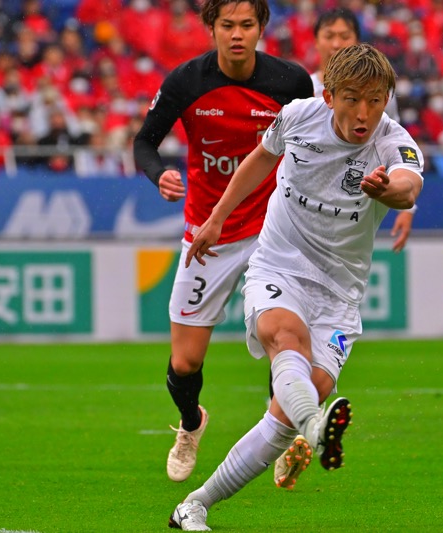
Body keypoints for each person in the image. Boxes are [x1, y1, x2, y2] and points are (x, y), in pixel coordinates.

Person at [168, 43, 423, 531]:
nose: (364, 113)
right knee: (286, 341)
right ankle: (317, 426)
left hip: (340, 292)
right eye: (352, 98)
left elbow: (409, 185)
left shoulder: (393, 143)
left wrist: (388, 190)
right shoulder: (296, 117)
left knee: (287, 414)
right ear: (328, 96)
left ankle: (194, 505)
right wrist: (217, 218)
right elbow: (259, 161)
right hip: (279, 265)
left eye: (375, 100)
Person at [132, 0, 314, 484]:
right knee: (185, 360)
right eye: (227, 25)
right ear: (211, 27)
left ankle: (282, 428)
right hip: (207, 234)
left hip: (272, 231)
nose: (237, 34)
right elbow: (143, 143)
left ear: (261, 29)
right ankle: (192, 423)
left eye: (247, 25)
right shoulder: (186, 82)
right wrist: (160, 175)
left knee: (282, 335)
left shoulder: (291, 83)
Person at [311, 7, 416, 253]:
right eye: (329, 36)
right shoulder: (301, 90)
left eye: (344, 36)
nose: (336, 43)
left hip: (353, 200)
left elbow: (395, 143)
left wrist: (407, 207)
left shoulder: (379, 93)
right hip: (307, 196)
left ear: (357, 41)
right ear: (316, 41)